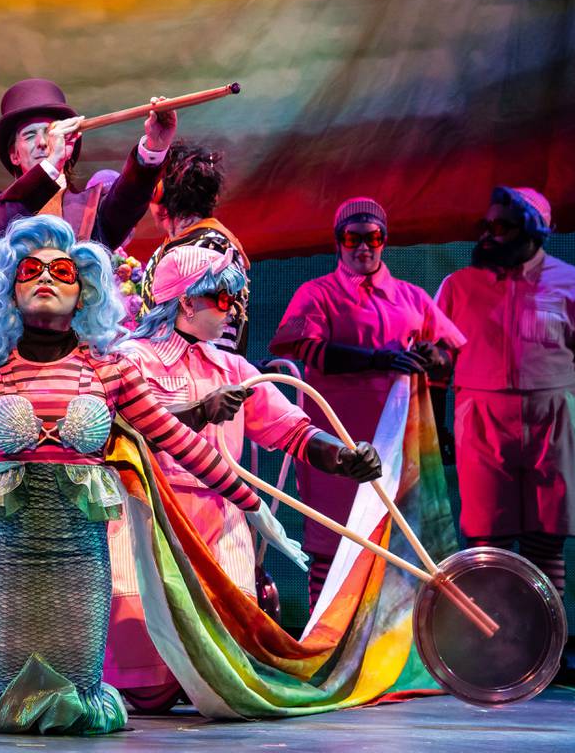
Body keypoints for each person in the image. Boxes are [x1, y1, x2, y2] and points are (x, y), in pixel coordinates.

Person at [0, 215, 306, 735]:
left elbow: (177, 441)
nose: (47, 279)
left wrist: (253, 506)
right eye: (31, 271)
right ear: (9, 289)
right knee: (9, 697)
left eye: (63, 272)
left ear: (84, 290)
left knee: (75, 689)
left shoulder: (109, 370)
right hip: (8, 554)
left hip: (80, 556)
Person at [111, 244, 384, 711]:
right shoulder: (132, 359)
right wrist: (197, 411)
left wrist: (342, 457)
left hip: (221, 518)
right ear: (186, 302)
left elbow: (292, 429)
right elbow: (128, 427)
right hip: (153, 516)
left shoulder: (234, 368)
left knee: (230, 683)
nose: (231, 309)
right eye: (221, 298)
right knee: (147, 688)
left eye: (233, 300)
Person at [433, 186, 575, 686]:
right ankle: (492, 649)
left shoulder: (573, 284)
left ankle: (549, 651)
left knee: (546, 540)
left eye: (503, 226)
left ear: (533, 232)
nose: (491, 234)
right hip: (480, 414)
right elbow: (436, 361)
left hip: (553, 416)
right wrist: (437, 423)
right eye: (489, 224)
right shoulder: (459, 285)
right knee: (488, 540)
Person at [269, 197, 466, 606]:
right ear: (337, 242)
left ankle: (385, 649)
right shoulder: (318, 293)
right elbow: (302, 347)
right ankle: (323, 644)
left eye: (373, 237)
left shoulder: (409, 296)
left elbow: (450, 352)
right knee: (333, 537)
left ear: (384, 240)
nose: (363, 247)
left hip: (396, 442)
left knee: (397, 540)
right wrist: (377, 358)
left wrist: (433, 356)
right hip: (337, 436)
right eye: (352, 238)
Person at [0, 79, 174, 253]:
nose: (42, 142)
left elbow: (128, 201)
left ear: (68, 141)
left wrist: (154, 147)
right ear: (14, 154)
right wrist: (50, 166)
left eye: (50, 133)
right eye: (30, 135)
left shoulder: (92, 207)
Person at [138, 143, 249, 351]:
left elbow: (220, 338)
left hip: (203, 376)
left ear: (160, 193)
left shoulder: (212, 248)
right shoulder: (172, 247)